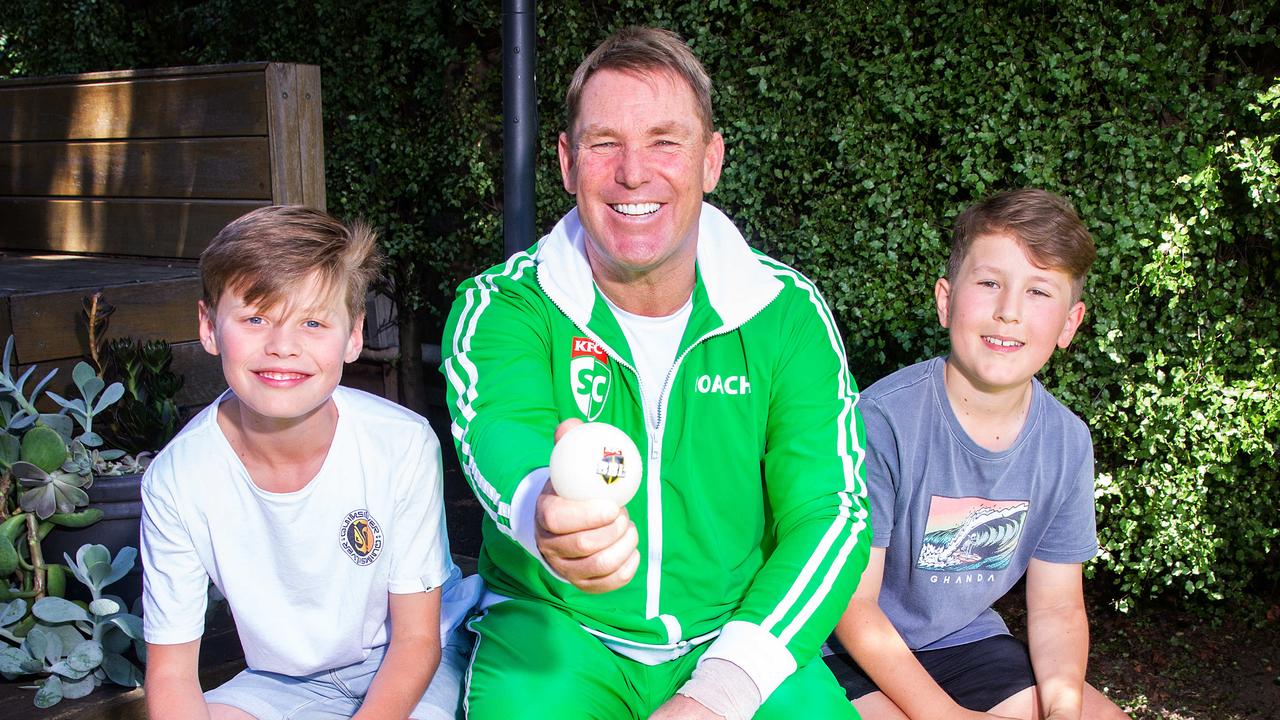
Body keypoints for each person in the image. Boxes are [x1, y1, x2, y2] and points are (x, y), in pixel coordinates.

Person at [442, 26, 869, 720]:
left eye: (665, 141)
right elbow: (503, 436)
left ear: (711, 160)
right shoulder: (505, 305)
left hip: (737, 638)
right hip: (557, 633)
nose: (634, 172)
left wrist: (719, 693)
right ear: (567, 162)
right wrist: (542, 516)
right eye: (604, 142)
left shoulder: (785, 313)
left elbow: (830, 513)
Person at [141, 205, 480, 720]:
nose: (282, 347)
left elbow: (416, 639)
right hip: (281, 684)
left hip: (413, 664)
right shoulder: (176, 479)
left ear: (354, 336)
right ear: (210, 328)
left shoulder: (401, 444)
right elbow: (171, 674)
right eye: (256, 319)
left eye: (313, 322)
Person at [824, 189, 1129, 720]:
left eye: (1038, 292)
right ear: (946, 300)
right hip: (855, 650)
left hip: (963, 641)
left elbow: (1057, 608)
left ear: (1069, 324)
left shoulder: (1066, 441)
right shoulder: (883, 421)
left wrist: (1062, 708)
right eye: (989, 283)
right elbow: (852, 606)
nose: (1008, 311)